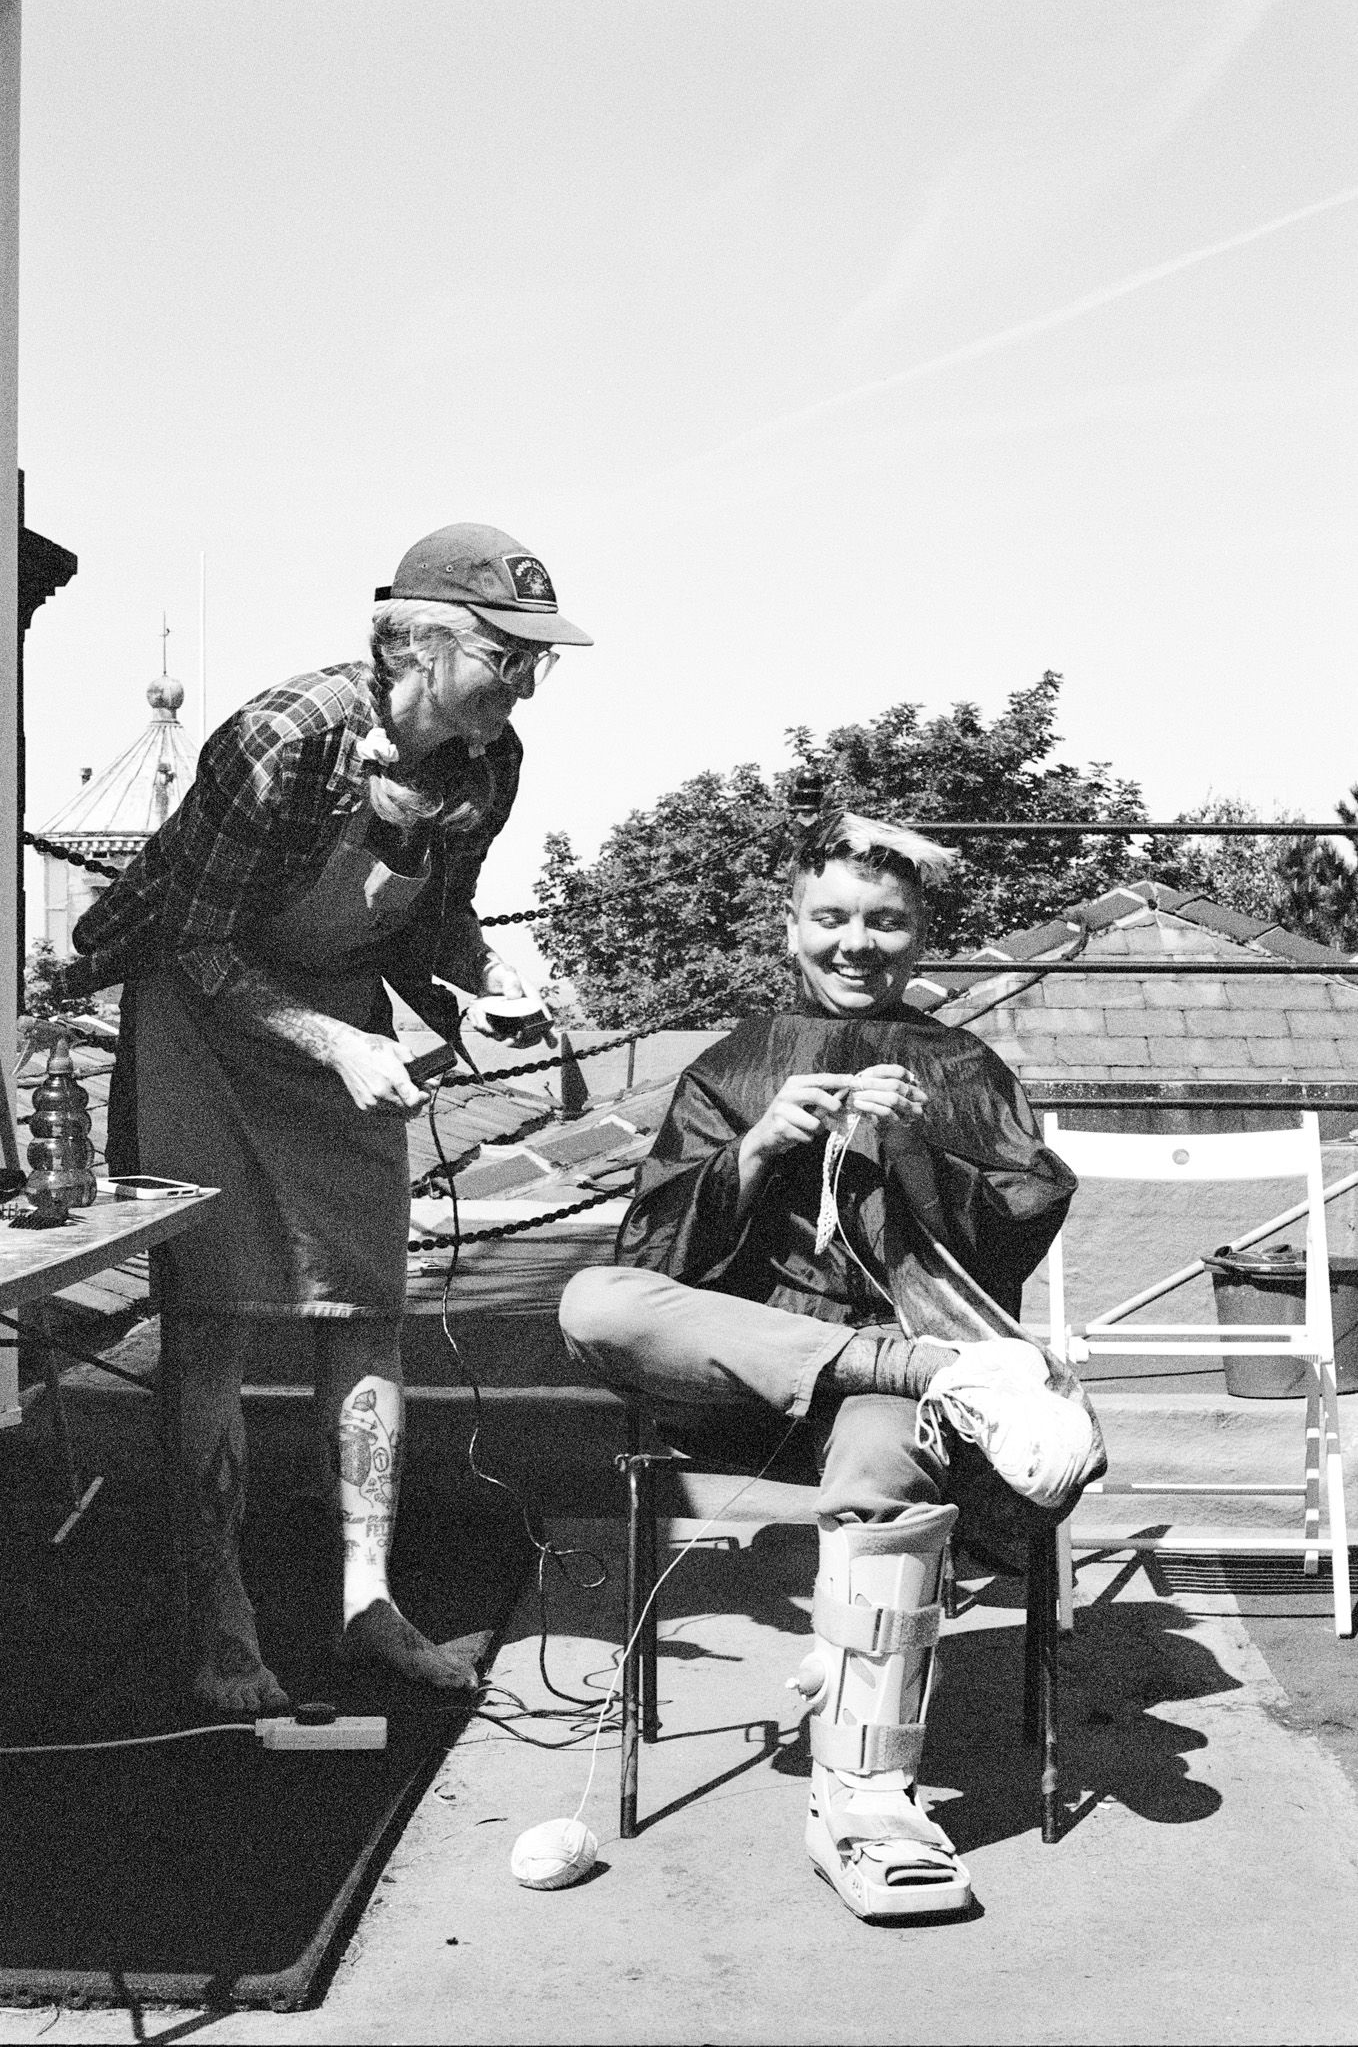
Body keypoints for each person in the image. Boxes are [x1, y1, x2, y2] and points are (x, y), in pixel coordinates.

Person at [63, 522, 591, 1716]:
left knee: (365, 1314)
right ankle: (226, 1622)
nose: (523, 683)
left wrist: (476, 992)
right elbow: (189, 940)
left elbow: (430, 924)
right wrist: (335, 1040)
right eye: (506, 656)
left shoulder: (487, 760)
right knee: (212, 1326)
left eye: (534, 662)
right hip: (200, 1021)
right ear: (419, 639)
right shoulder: (281, 738)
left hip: (344, 1032)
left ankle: (367, 1605)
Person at [558, 812, 1104, 1922]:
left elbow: (1009, 1232)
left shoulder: (963, 1063)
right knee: (590, 1301)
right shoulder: (733, 1057)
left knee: (880, 1433)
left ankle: (863, 1796)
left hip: (893, 1393)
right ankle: (913, 1371)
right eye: (832, 918)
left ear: (920, 936)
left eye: (886, 922)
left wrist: (914, 1151)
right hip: (744, 1375)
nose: (857, 942)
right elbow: (652, 1256)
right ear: (790, 926)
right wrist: (756, 1147)